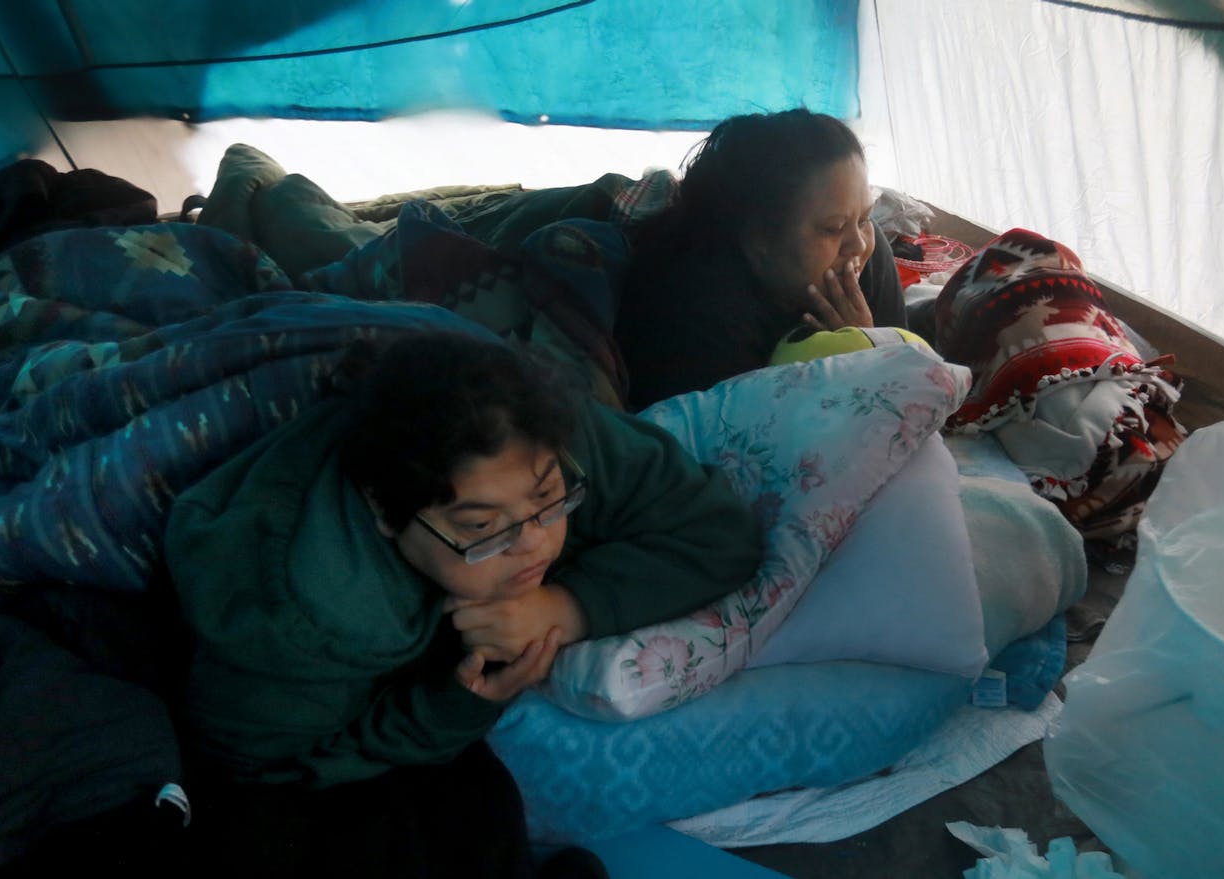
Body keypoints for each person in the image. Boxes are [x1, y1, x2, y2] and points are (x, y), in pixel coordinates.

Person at [163, 329, 763, 878]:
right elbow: (253, 772)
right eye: (481, 527)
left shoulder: (532, 434)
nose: (534, 543)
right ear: (385, 512)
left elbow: (721, 532)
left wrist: (564, 606)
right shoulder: (310, 611)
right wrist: (449, 709)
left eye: (549, 499)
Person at [614, 108, 908, 410]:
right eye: (832, 228)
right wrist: (861, 364)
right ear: (760, 240)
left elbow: (914, 389)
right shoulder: (691, 316)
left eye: (864, 218)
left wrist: (874, 344)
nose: (858, 244)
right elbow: (752, 443)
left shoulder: (864, 261)